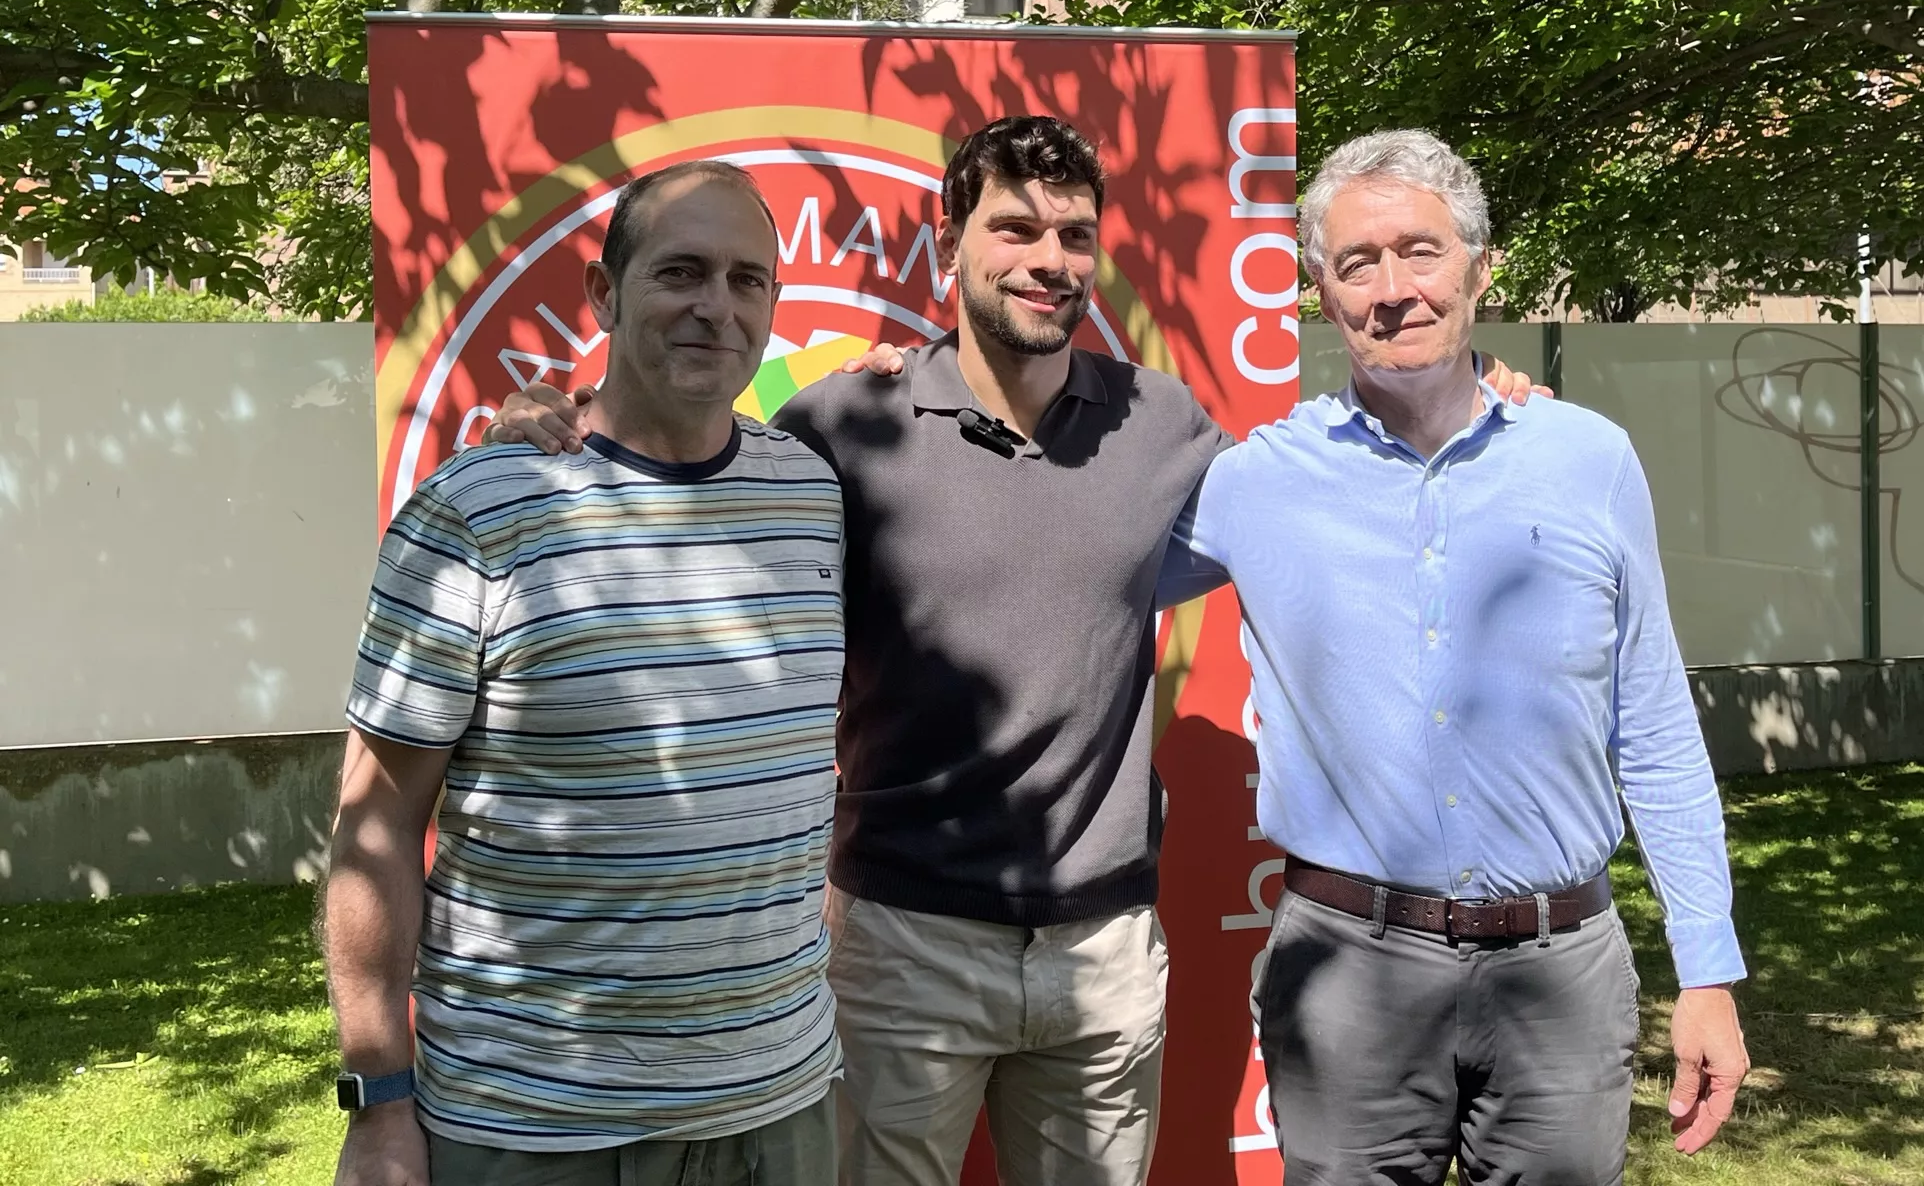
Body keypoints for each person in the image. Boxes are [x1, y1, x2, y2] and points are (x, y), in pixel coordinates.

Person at [486, 117, 1538, 1186]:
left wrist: (1465, 398)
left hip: (1105, 952)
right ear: (948, 243)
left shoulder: (1161, 424)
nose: (1049, 261)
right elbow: (689, 468)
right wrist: (559, 417)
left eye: (1074, 236)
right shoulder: (843, 426)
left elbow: (1331, 496)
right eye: (1016, 229)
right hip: (902, 947)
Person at [1170, 130, 1751, 1186]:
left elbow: (1655, 725)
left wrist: (1706, 969)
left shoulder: (1587, 459)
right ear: (1318, 292)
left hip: (1560, 979)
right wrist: (917, 393)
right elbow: (1062, 547)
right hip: (1347, 972)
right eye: (1357, 263)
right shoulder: (1257, 481)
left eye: (1420, 252)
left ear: (1480, 269)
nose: (1393, 289)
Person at [326, 161, 844, 1186]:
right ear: (605, 294)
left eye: (749, 281)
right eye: (681, 272)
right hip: (536, 1127)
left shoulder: (809, 494)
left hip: (779, 1113)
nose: (717, 307)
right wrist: (378, 1103)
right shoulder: (477, 512)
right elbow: (374, 823)